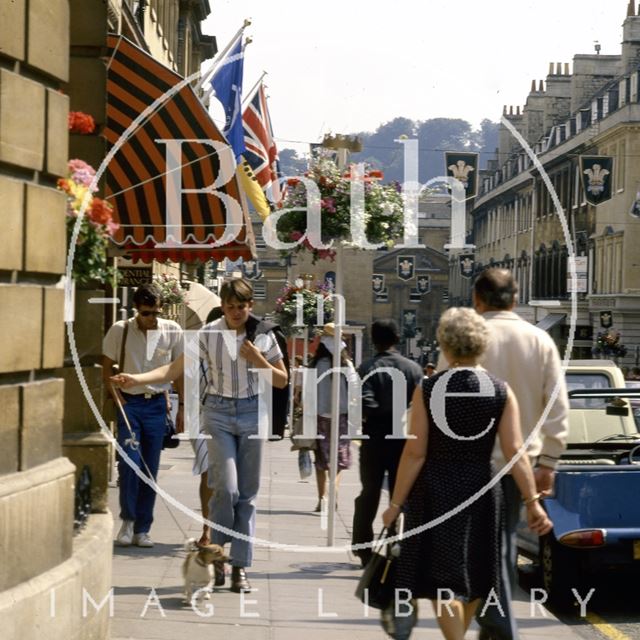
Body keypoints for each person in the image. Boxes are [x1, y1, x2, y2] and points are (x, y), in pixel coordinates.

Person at [382, 308, 553, 640]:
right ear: (482, 345)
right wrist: (532, 501)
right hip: (483, 489)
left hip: (436, 489)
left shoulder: (429, 390)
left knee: (442, 581)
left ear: (445, 345)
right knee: (478, 576)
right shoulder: (501, 391)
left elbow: (415, 452)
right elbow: (516, 451)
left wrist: (395, 503)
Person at [112, 278, 288, 592]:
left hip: (252, 413)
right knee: (226, 489)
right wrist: (134, 377)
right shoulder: (207, 335)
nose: (236, 312)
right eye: (230, 307)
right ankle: (218, 557)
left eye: (241, 307)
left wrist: (258, 360)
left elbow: (281, 381)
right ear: (223, 306)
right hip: (218, 413)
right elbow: (171, 370)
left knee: (247, 496)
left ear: (250, 306)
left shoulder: (262, 335)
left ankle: (239, 568)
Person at [440, 268, 569, 640]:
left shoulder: (463, 339)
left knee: (479, 553)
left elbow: (442, 401)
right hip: (517, 467)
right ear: (515, 299)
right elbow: (557, 406)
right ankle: (493, 626)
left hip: (465, 466)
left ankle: (497, 628)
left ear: (477, 300)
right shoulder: (539, 340)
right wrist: (549, 461)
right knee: (498, 547)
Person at [103, 282, 184, 548]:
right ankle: (127, 520)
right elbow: (105, 366)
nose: (151, 318)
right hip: (131, 404)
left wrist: (181, 406)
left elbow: (178, 371)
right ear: (136, 309)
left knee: (150, 468)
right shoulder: (121, 330)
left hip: (157, 406)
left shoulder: (172, 331)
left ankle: (143, 528)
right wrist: (116, 396)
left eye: (156, 313)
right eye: (146, 313)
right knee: (129, 463)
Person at [352, 319, 423, 568]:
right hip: (404, 442)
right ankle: (397, 544)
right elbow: (421, 406)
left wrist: (379, 414)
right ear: (397, 338)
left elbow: (364, 401)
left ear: (374, 339)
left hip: (374, 440)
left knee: (369, 493)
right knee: (400, 495)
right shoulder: (414, 369)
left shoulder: (367, 368)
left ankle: (362, 546)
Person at [308, 323, 356, 512]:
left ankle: (322, 499)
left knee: (320, 460)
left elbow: (307, 391)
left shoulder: (315, 363)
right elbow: (354, 388)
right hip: (341, 416)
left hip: (318, 416)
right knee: (337, 460)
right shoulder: (346, 364)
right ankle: (333, 491)